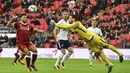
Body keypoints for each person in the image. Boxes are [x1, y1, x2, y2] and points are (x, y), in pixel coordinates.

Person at [51, 14, 124, 73]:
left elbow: (67, 26)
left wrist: (55, 24)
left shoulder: (77, 23)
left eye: (70, 18)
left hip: (93, 37)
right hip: (89, 42)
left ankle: (119, 53)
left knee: (106, 45)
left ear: (73, 19)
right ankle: (109, 64)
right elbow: (66, 28)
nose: (68, 19)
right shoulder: (72, 27)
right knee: (99, 52)